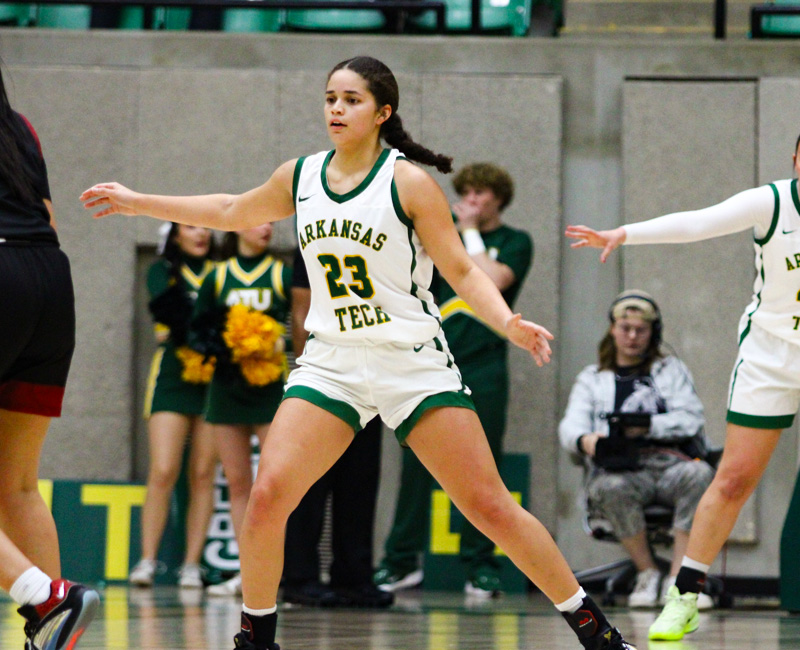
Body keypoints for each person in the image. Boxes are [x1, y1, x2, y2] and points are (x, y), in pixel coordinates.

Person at [81, 55, 634, 650]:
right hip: (333, 361)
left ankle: (594, 631)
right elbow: (229, 210)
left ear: (382, 112)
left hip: (410, 359)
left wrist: (507, 323)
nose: (336, 109)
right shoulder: (301, 175)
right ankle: (255, 639)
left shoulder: (408, 183)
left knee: (489, 506)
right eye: (329, 98)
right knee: (268, 498)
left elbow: (460, 272)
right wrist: (141, 202)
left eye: (351, 99)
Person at [566, 133, 800, 640]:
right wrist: (624, 233)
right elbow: (698, 223)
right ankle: (684, 595)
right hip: (771, 356)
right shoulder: (775, 202)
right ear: (796, 159)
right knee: (734, 478)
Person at [373, 162, 533, 598]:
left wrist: (469, 231)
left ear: (498, 199)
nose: (472, 200)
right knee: (414, 462)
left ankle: (480, 565)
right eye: (467, 193)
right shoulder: (438, 238)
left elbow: (492, 281)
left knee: (484, 469)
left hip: (486, 365)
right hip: (433, 362)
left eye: (481, 194)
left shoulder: (514, 242)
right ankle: (399, 561)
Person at [0, 66, 99, 650]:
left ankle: (43, 595)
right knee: (16, 486)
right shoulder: (21, 129)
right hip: (48, 283)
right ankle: (55, 631)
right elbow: (49, 220)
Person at [559, 290, 714, 609]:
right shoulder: (592, 378)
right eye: (625, 328)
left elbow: (692, 418)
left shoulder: (671, 370)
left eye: (640, 330)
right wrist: (587, 440)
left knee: (700, 474)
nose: (632, 337)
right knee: (610, 487)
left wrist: (647, 426)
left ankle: (679, 581)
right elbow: (569, 428)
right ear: (612, 330)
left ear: (652, 333)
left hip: (671, 465)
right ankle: (647, 572)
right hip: (623, 470)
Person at [281, 247, 393, 609]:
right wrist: (305, 370)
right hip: (326, 374)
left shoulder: (382, 237)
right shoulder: (312, 233)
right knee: (309, 481)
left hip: (372, 371)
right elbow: (301, 309)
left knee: (360, 479)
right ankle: (299, 576)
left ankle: (354, 575)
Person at [190, 225, 292, 598]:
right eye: (257, 220)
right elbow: (198, 329)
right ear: (238, 228)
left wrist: (276, 341)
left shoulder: (281, 273)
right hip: (228, 388)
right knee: (237, 484)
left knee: (274, 485)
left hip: (269, 390)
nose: (265, 227)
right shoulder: (218, 276)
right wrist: (226, 347)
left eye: (270, 222)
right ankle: (246, 570)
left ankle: (278, 572)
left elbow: (299, 322)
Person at [129, 222, 218, 589]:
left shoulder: (221, 273)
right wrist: (210, 326)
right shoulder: (161, 271)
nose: (200, 234)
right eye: (191, 227)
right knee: (163, 469)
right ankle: (147, 561)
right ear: (175, 235)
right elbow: (170, 314)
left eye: (206, 228)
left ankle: (192, 565)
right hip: (171, 377)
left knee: (202, 474)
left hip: (215, 378)